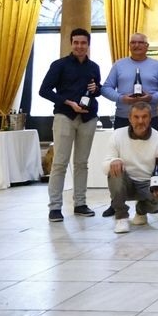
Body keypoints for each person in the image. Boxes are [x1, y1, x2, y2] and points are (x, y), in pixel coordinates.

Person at [39, 28, 101, 222]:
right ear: (71, 43)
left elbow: (96, 91)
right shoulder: (59, 65)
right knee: (59, 163)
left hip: (88, 118)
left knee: (82, 163)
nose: (79, 46)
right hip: (65, 116)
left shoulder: (94, 67)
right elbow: (44, 90)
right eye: (76, 42)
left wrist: (96, 89)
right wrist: (68, 102)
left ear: (88, 45)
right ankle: (55, 207)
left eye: (83, 43)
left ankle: (80, 203)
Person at [102, 102, 158, 233]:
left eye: (144, 117)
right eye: (136, 117)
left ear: (150, 118)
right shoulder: (117, 135)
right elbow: (104, 167)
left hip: (147, 184)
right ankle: (121, 217)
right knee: (115, 169)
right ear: (129, 118)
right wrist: (113, 161)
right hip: (125, 184)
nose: (141, 121)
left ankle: (141, 210)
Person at [102, 32, 158, 131]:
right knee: (122, 147)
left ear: (147, 46)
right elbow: (105, 88)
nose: (136, 45)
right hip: (123, 118)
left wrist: (152, 98)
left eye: (140, 42)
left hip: (149, 118)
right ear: (129, 46)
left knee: (150, 147)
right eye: (133, 42)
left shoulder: (157, 66)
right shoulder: (118, 65)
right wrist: (121, 98)